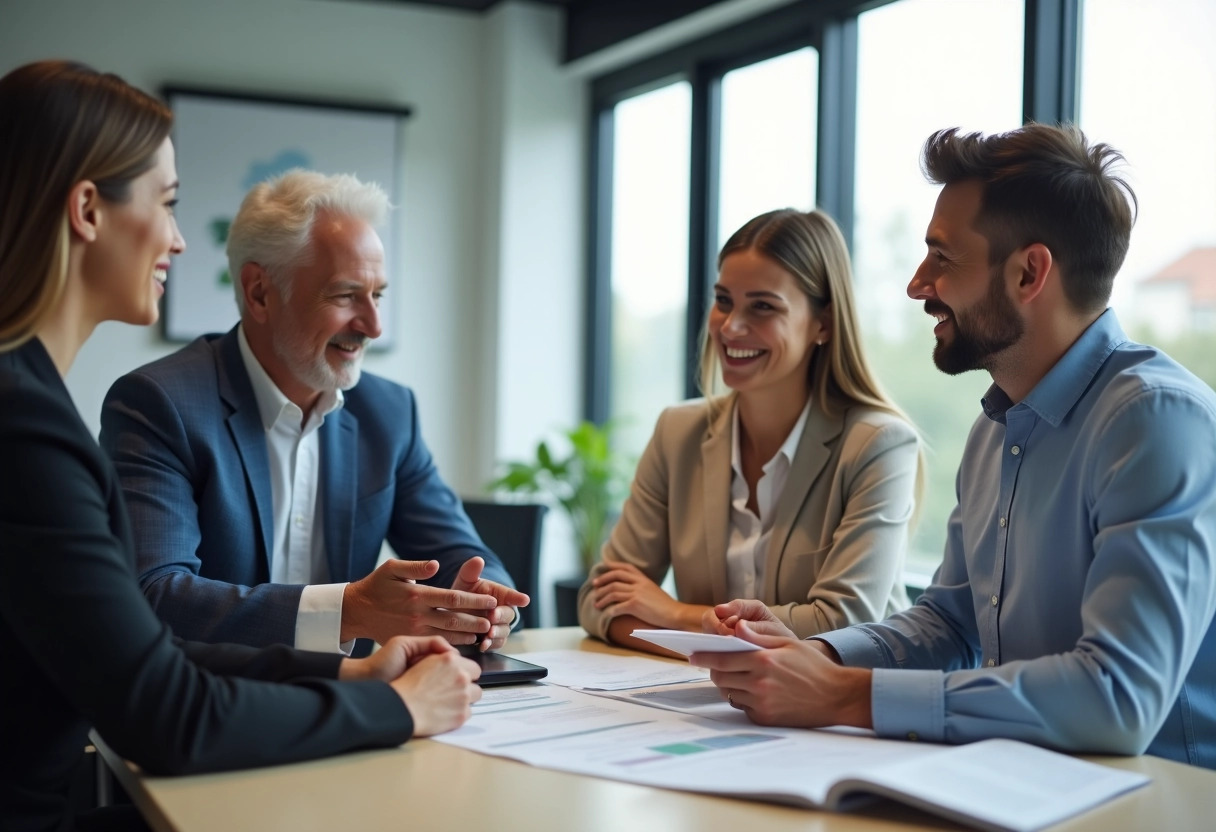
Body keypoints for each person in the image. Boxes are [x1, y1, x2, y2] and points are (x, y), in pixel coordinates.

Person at [0, 60, 483, 832]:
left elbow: (143, 653)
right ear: (88, 210)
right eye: (168, 203)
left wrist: (354, 668)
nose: (182, 240)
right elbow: (165, 710)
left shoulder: (30, 400)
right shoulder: (30, 426)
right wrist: (389, 707)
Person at [695, 124, 1216, 769]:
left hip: (1156, 796)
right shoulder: (995, 428)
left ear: (1030, 272)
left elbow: (1117, 698)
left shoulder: (1155, 419)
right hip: (1025, 780)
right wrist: (818, 657)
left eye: (943, 258)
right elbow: (951, 624)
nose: (918, 284)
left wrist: (845, 694)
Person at [99, 170, 527, 657]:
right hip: (211, 707)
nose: (373, 325)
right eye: (345, 295)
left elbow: (461, 555)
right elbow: (155, 594)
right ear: (260, 292)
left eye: (378, 295)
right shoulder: (160, 403)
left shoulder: (390, 412)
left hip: (356, 703)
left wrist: (487, 600)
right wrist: (350, 609)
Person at [578, 209, 922, 656]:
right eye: (724, 300)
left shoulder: (879, 445)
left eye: (762, 306)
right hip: (714, 702)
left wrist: (679, 615)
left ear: (824, 323)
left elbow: (842, 623)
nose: (731, 326)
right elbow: (600, 601)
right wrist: (729, 642)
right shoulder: (677, 432)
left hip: (839, 712)